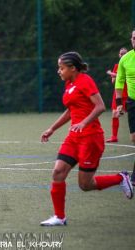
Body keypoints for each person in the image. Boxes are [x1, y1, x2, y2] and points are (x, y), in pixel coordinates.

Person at [40, 51, 133, 226]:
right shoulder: (69, 83)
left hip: (90, 139)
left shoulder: (85, 81)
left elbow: (100, 107)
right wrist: (52, 128)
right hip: (74, 137)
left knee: (85, 184)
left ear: (73, 68)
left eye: (61, 68)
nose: (58, 71)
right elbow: (70, 110)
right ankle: (59, 217)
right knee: (58, 172)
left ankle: (121, 178)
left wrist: (83, 123)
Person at [115, 29, 135, 186]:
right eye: (134, 38)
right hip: (133, 102)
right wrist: (119, 104)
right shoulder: (125, 59)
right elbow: (119, 82)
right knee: (134, 138)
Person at [105, 47, 128, 143]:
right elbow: (113, 81)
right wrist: (113, 75)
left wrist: (111, 73)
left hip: (128, 92)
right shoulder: (116, 66)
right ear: (119, 55)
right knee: (114, 114)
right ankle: (114, 137)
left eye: (124, 53)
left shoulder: (129, 64)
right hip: (118, 93)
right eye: (121, 54)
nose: (122, 55)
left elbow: (124, 76)